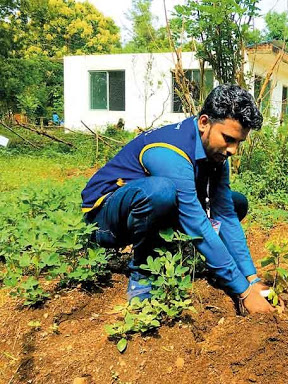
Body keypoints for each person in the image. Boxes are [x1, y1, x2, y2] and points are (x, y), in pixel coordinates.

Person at [81, 84, 274, 314]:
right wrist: (242, 292)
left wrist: (252, 279)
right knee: (160, 192)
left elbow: (225, 215)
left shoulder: (217, 152)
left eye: (238, 142)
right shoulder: (169, 151)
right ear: (204, 122)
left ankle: (169, 249)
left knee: (235, 202)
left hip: (148, 209)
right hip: (105, 220)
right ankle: (142, 272)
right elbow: (195, 222)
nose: (233, 150)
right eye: (228, 138)